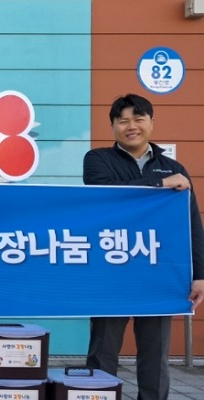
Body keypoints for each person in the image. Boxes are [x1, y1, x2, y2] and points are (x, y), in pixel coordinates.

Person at [83, 93, 204, 400]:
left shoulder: (173, 167)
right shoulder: (98, 160)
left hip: (158, 274)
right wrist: (160, 185)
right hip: (111, 272)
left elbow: (191, 224)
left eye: (138, 119)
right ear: (113, 126)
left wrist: (199, 275)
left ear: (151, 122)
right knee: (103, 351)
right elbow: (105, 192)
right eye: (123, 120)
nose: (131, 126)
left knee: (155, 354)